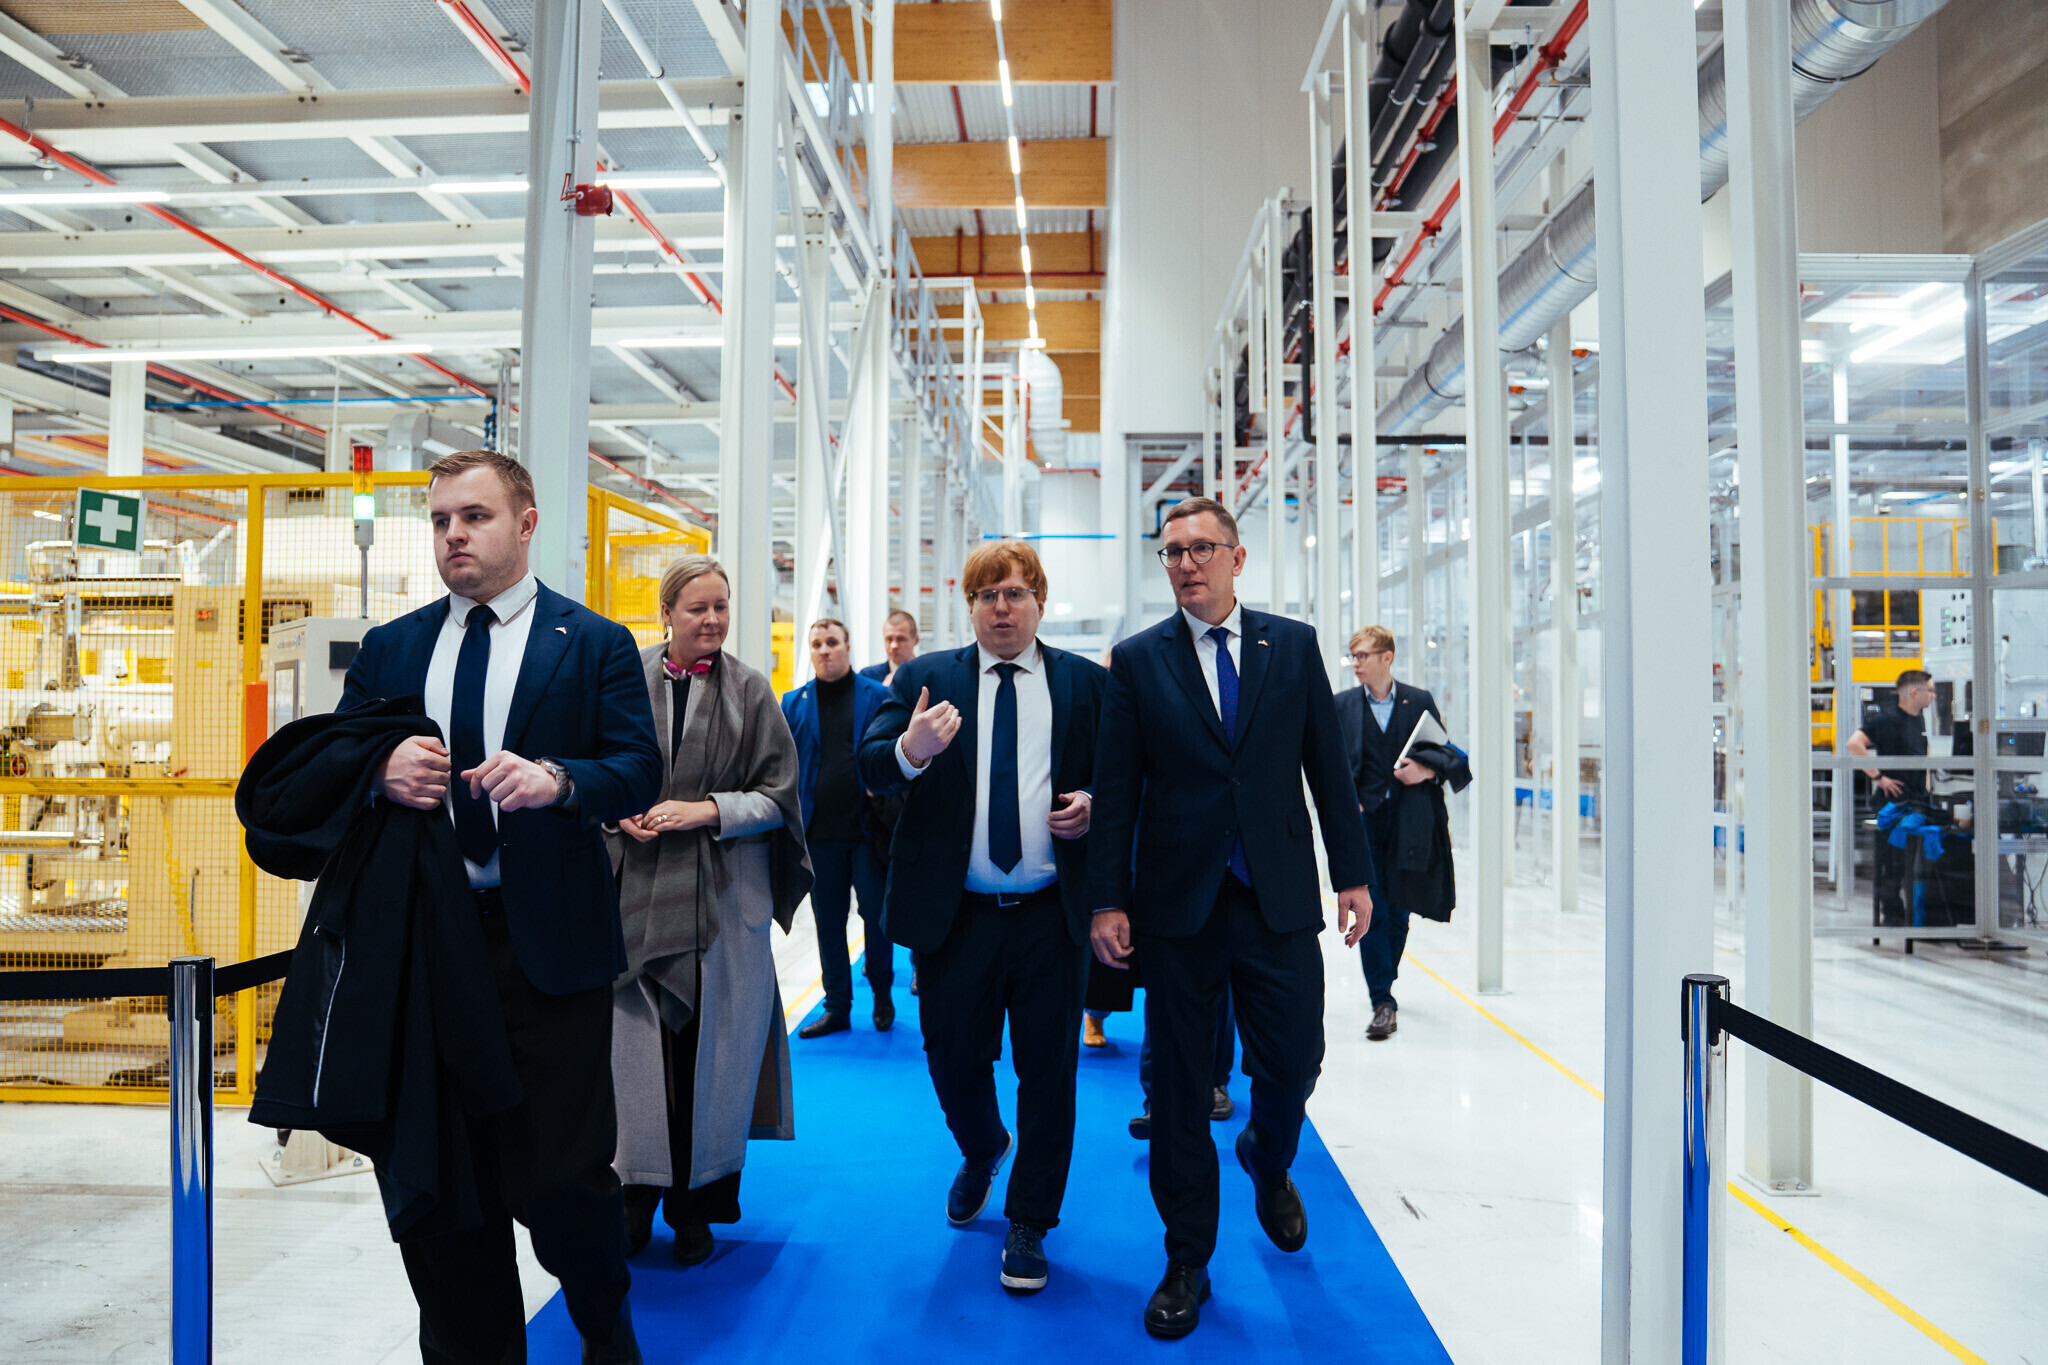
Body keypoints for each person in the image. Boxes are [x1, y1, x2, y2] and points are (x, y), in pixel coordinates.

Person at [337, 449, 662, 1364]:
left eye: (474, 517)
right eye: (441, 519)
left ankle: (603, 1317)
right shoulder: (393, 648)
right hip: (426, 951)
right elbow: (336, 763)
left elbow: (639, 769)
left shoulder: (592, 642)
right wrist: (378, 769)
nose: (454, 535)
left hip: (547, 953)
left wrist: (560, 779)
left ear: (525, 523)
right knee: (438, 1179)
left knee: (563, 1181)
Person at [1088, 496, 1374, 1341]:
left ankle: (1268, 1155)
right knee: (1180, 1086)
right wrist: (1107, 897)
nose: (1186, 563)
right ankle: (1187, 1259)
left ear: (1237, 558)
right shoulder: (1138, 661)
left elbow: (1327, 768)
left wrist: (1354, 875)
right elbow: (1117, 789)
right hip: (1177, 905)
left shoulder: (1292, 646)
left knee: (1295, 1057)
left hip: (1274, 895)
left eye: (1201, 548)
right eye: (1172, 551)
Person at [857, 540, 1108, 1296]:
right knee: (952, 1055)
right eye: (987, 595)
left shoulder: (1085, 684)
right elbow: (870, 763)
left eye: (1015, 593)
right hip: (955, 913)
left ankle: (1030, 1219)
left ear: (1039, 601)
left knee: (1048, 1073)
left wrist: (1093, 803)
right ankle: (982, 1143)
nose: (1002, 607)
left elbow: (1123, 776)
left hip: (1048, 913)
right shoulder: (926, 678)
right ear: (968, 606)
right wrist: (911, 749)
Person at [609, 555, 812, 1270]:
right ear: (666, 613)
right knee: (635, 1056)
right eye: (698, 607)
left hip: (724, 902)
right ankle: (633, 1198)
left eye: (721, 606)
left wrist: (707, 811)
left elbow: (781, 796)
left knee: (711, 1056)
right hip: (633, 898)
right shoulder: (622, 679)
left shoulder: (752, 690)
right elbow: (593, 769)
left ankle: (695, 1209)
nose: (713, 619)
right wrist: (618, 811)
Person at [783, 619, 895, 1035]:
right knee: (828, 922)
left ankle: (881, 992)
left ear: (848, 646)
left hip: (867, 832)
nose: (825, 650)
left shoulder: (877, 696)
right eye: (817, 644)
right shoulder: (793, 703)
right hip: (819, 835)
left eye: (832, 642)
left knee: (877, 918)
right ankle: (837, 1007)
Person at [1334, 625, 1445, 1042]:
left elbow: (1446, 755)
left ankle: (1385, 980)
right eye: (1353, 656)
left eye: (1363, 655)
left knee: (1399, 909)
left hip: (1407, 823)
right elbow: (1330, 764)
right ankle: (1382, 998)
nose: (1356, 663)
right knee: (1373, 907)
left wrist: (1426, 770)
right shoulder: (1342, 705)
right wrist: (1350, 803)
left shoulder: (1419, 701)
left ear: (1387, 657)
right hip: (1363, 823)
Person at [1846, 668, 1936, 926]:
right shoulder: (1885, 720)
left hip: (1917, 800)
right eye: (1930, 690)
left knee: (1914, 860)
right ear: (1915, 692)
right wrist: (1878, 777)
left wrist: (1926, 782)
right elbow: (1854, 744)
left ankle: (1918, 911)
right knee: (1893, 862)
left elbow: (1924, 751)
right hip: (1893, 805)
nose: (1934, 696)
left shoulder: (1919, 720)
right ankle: (1892, 911)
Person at [860, 608, 921, 684]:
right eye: (889, 639)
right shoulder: (867, 677)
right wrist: (882, 689)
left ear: (916, 640)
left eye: (900, 639)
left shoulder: (929, 675)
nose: (894, 645)